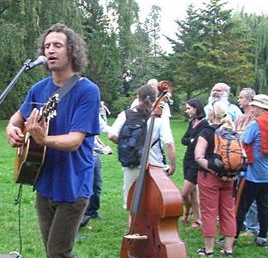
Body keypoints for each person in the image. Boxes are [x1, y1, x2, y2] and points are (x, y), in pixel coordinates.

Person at [6, 23, 99, 258]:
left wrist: (44, 139)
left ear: (72, 51)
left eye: (58, 45)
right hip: (44, 181)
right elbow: (17, 118)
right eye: (47, 45)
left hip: (73, 185)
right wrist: (12, 130)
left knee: (60, 252)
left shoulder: (87, 90)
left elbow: (75, 140)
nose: (50, 50)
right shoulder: (39, 89)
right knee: (51, 253)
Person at [108, 84, 176, 222]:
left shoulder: (126, 114)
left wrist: (127, 144)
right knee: (154, 205)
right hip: (155, 165)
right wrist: (173, 165)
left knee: (133, 207)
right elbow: (169, 143)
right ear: (156, 99)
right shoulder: (159, 118)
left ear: (137, 97)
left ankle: (133, 237)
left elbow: (111, 135)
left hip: (132, 164)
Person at [235, 94, 268, 248]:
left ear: (261, 108)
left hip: (253, 174)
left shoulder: (257, 123)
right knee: (264, 207)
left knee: (242, 205)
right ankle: (262, 238)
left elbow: (243, 141)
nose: (253, 108)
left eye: (255, 106)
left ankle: (232, 237)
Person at [193, 101, 237, 256]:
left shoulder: (207, 132)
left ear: (211, 114)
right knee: (228, 211)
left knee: (209, 211)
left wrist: (213, 169)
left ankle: (209, 249)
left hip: (209, 177)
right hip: (230, 177)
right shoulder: (232, 131)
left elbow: (198, 156)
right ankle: (228, 248)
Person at [81, 101, 112, 228]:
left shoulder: (94, 113)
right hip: (86, 155)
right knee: (84, 186)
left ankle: (92, 212)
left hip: (94, 155)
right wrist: (104, 150)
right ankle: (81, 215)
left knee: (96, 184)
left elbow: (101, 129)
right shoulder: (82, 114)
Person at [234, 87, 260, 238]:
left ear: (250, 100)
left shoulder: (253, 119)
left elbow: (246, 138)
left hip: (250, 161)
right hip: (237, 159)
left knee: (251, 193)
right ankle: (241, 222)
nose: (239, 100)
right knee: (238, 192)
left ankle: (252, 226)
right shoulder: (240, 117)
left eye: (242, 98)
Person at [179, 98, 208, 229]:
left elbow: (197, 141)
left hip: (197, 161)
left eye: (189, 108)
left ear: (196, 108)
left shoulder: (204, 124)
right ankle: (197, 219)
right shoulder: (192, 123)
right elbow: (183, 140)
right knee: (193, 192)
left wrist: (190, 141)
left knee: (184, 193)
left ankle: (188, 211)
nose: (187, 111)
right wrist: (190, 140)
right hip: (187, 159)